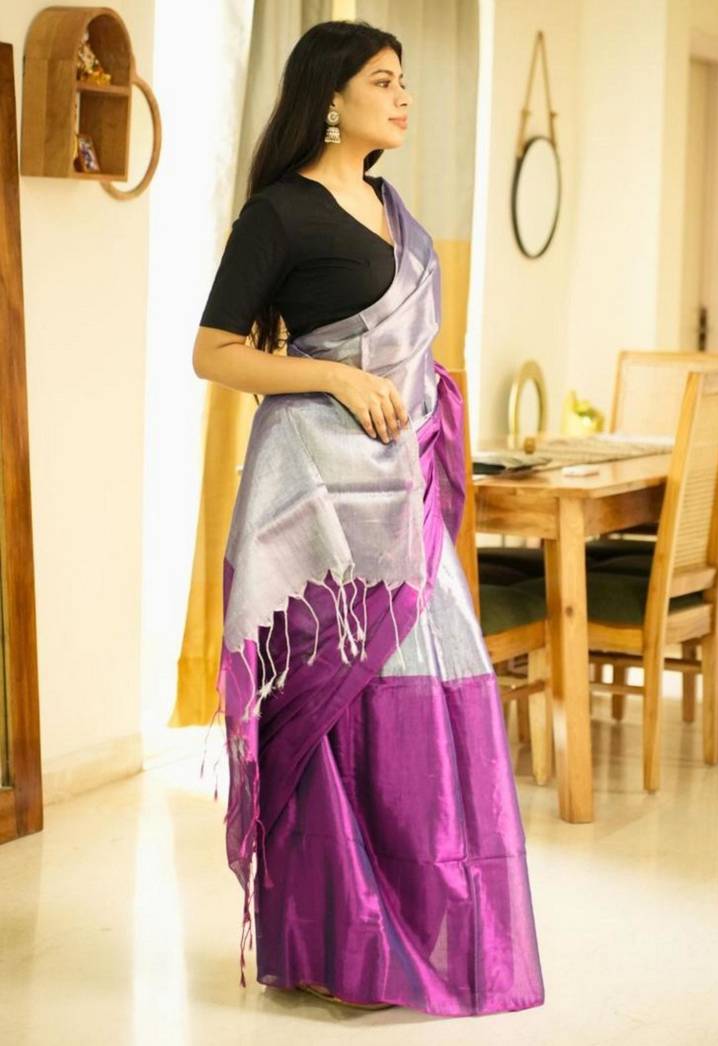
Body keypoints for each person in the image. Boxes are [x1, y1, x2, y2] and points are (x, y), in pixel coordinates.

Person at [193, 19, 545, 1018]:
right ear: (330, 98)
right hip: (314, 492)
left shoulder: (392, 209)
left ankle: (425, 928)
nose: (402, 98)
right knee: (333, 706)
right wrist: (336, 378)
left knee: (434, 692)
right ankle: (335, 947)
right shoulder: (280, 213)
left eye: (403, 81)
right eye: (383, 82)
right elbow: (214, 351)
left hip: (401, 489)